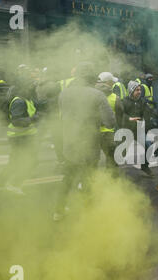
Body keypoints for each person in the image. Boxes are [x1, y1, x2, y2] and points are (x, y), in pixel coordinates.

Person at [54, 62, 116, 221]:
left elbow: (62, 117)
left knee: (68, 177)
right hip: (89, 144)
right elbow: (110, 122)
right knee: (88, 178)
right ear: (91, 79)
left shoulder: (64, 94)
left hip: (69, 144)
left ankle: (59, 211)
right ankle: (87, 214)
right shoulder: (97, 95)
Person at [0, 69, 40, 195]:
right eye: (31, 85)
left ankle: (1, 183)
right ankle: (14, 184)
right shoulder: (19, 101)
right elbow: (17, 121)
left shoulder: (27, 99)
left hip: (25, 135)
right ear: (24, 87)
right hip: (20, 137)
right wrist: (34, 119)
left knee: (18, 161)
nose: (33, 87)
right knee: (27, 161)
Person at [122, 81, 154, 177]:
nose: (139, 92)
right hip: (127, 130)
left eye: (140, 90)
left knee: (148, 146)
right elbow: (120, 114)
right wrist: (129, 118)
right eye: (137, 90)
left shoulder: (142, 101)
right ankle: (113, 170)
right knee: (121, 150)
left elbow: (148, 112)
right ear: (131, 91)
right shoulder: (124, 101)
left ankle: (145, 166)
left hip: (139, 129)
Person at [96, 72, 124, 169]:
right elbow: (120, 116)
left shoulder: (91, 94)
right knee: (112, 160)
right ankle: (111, 181)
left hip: (92, 132)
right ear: (108, 82)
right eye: (112, 82)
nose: (113, 84)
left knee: (92, 161)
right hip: (109, 133)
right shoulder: (115, 98)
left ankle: (92, 181)